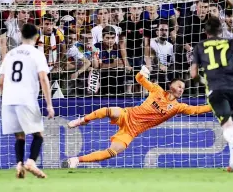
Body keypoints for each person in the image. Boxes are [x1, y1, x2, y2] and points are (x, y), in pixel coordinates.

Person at [64, 66, 212, 168]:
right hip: (127, 114)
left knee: (112, 152)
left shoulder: (178, 107)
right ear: (171, 85)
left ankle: (76, 160)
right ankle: (82, 120)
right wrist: (143, 72)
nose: (181, 90)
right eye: (179, 86)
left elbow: (197, 110)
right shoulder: (157, 90)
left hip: (132, 131)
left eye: (183, 88)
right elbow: (139, 79)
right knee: (110, 110)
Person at [190, 16, 233, 172]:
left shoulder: (200, 47)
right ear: (220, 30)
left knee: (226, 124)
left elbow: (193, 73)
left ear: (205, 32)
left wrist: (202, 80)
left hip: (216, 88)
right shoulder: (229, 42)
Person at [0, 23, 54, 178]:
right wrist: (49, 105)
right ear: (37, 37)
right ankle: (31, 161)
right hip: (26, 99)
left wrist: (7, 97)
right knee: (38, 135)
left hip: (8, 100)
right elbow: (43, 78)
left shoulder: (10, 54)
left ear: (21, 36)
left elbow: (1, 81)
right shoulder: (36, 54)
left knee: (20, 136)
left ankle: (19, 164)